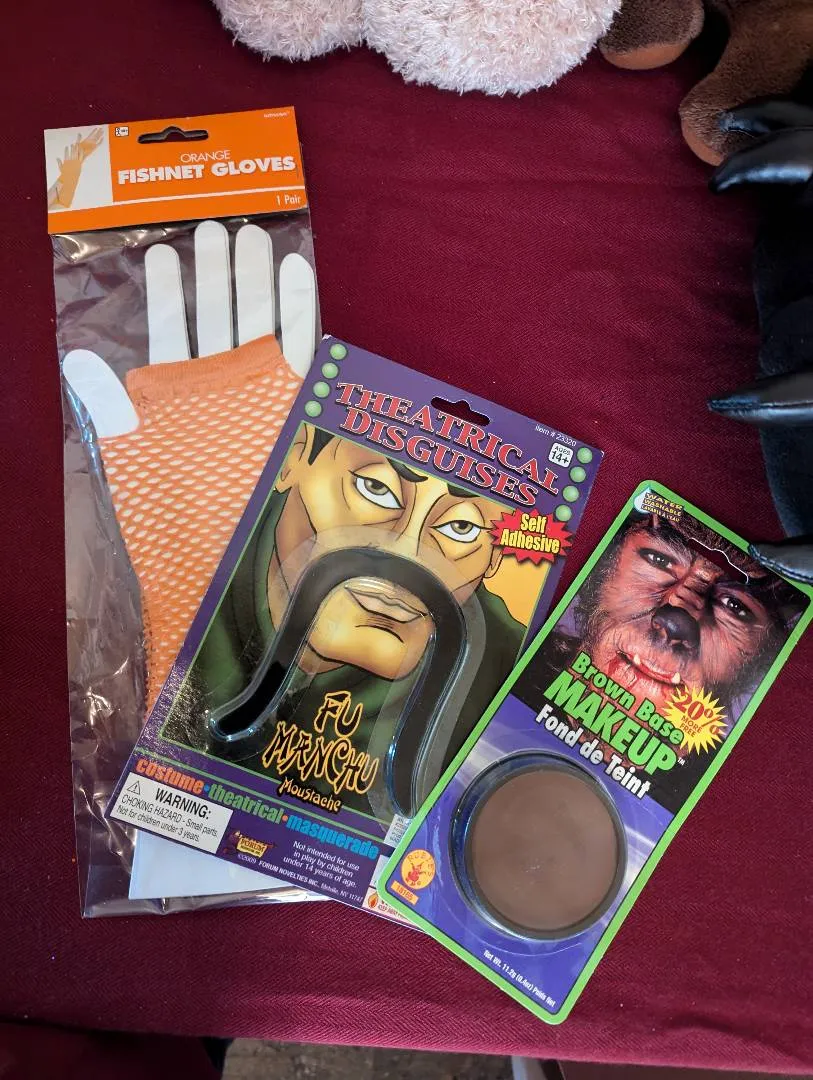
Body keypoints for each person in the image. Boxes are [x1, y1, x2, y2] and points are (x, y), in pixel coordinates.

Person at [164, 424, 525, 817]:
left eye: (461, 527)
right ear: (294, 460)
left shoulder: (510, 678)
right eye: (375, 488)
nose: (407, 551)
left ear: (495, 555)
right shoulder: (193, 573)